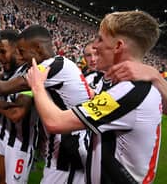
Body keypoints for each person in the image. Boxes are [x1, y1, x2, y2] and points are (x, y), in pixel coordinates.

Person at [26, 11, 161, 184]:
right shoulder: (137, 86)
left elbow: (55, 122)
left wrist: (37, 86)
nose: (94, 46)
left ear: (118, 46)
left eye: (100, 39)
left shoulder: (130, 90)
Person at [0, 25, 91, 184]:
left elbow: (7, 100)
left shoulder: (43, 68)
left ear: (37, 48)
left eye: (20, 51)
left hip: (53, 148)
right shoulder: (7, 72)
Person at [0, 29, 39, 184]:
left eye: (3, 52)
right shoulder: (6, 73)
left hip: (19, 144)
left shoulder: (30, 73)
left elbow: (16, 113)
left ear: (17, 50)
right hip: (0, 135)